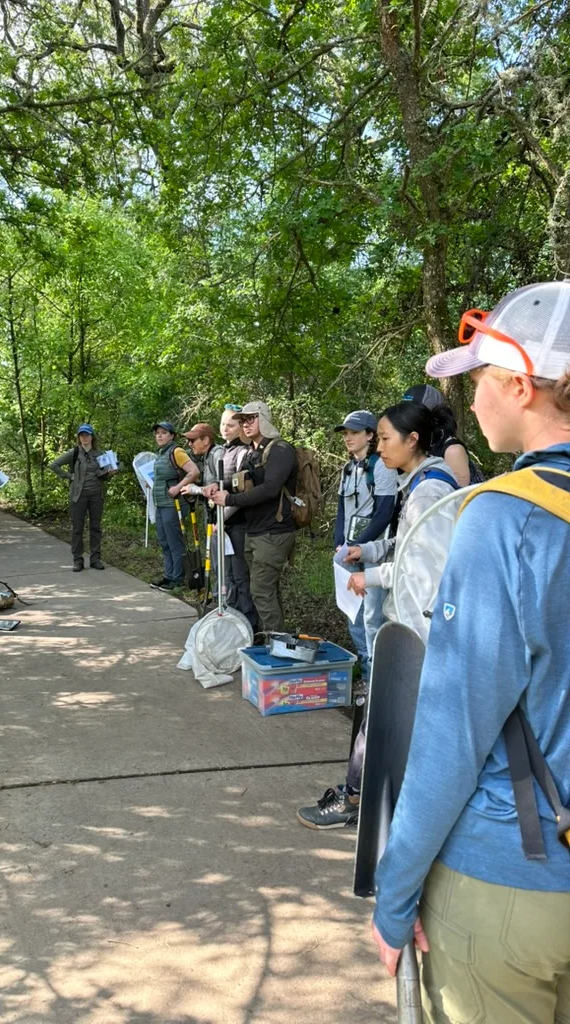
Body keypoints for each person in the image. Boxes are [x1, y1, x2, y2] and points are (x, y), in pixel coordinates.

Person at [372, 282, 570, 1023]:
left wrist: (395, 897)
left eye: (480, 379)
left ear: (521, 385)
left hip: (517, 875)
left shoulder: (503, 520)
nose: (473, 400)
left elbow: (453, 733)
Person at [297, 400, 458, 829]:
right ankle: (375, 798)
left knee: (380, 717)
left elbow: (426, 571)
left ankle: (355, 799)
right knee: (383, 717)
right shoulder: (419, 482)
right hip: (409, 626)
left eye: (386, 439)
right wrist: (364, 551)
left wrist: (373, 577)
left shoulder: (429, 490)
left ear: (413, 440)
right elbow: (404, 545)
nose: (381, 448)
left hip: (417, 630)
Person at [212, 400, 296, 634]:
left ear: (264, 419)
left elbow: (270, 488)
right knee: (266, 590)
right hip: (256, 530)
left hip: (274, 532)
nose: (246, 424)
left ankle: (275, 645)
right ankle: (277, 639)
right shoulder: (254, 453)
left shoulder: (280, 450)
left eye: (251, 419)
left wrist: (229, 500)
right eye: (243, 421)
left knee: (261, 590)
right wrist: (218, 488)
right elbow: (244, 484)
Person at [332, 410, 397, 685]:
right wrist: (339, 543)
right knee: (352, 611)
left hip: (374, 552)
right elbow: (341, 510)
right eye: (346, 433)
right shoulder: (348, 468)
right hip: (348, 550)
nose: (348, 438)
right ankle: (363, 661)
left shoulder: (381, 466)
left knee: (373, 614)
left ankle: (376, 675)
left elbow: (385, 512)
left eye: (355, 433)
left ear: (370, 436)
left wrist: (359, 545)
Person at [205, 406, 258, 629]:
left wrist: (222, 519)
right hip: (222, 525)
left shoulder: (243, 453)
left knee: (240, 577)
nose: (225, 429)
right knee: (225, 576)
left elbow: (239, 492)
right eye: (223, 424)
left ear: (240, 428)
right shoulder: (223, 451)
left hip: (237, 525)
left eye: (231, 425)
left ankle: (249, 626)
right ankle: (230, 621)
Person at [50, 424, 115, 572]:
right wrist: (69, 476)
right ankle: (78, 560)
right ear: (79, 438)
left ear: (92, 436)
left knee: (95, 527)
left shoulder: (100, 454)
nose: (84, 437)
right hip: (78, 496)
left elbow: (105, 476)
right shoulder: (74, 453)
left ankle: (95, 559)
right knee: (77, 529)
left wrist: (110, 473)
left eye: (87, 435)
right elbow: (54, 465)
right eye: (81, 435)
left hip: (96, 495)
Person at [149, 421, 200, 591]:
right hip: (161, 504)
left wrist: (178, 487)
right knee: (164, 541)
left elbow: (194, 471)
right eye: (157, 433)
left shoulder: (176, 451)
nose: (160, 436)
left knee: (174, 541)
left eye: (164, 432)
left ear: (172, 436)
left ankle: (177, 578)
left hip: (174, 504)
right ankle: (168, 575)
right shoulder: (161, 454)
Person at [402, 382, 483, 485]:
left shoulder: (452, 450)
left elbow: (457, 497)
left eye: (412, 412)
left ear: (433, 414)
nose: (405, 417)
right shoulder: (420, 444)